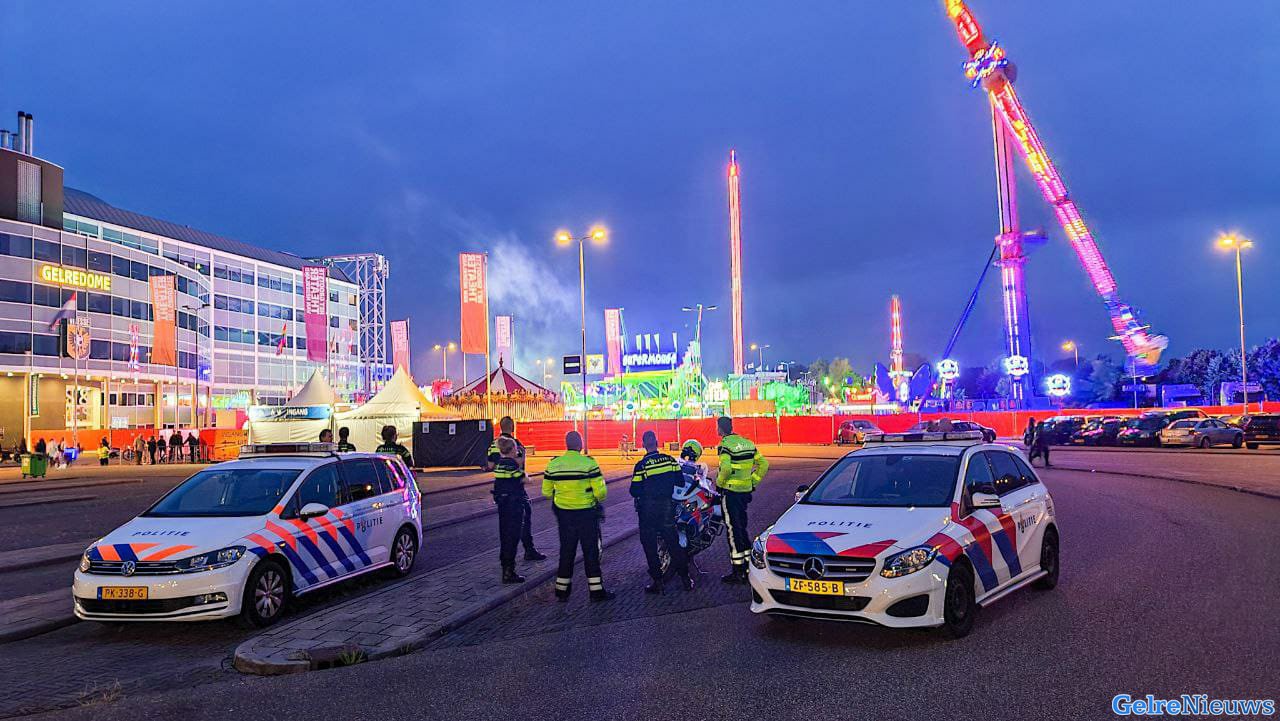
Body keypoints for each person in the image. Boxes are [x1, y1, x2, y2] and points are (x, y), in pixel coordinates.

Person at [543, 431, 613, 602]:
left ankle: (561, 592)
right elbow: (601, 492)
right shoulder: (589, 463)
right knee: (590, 552)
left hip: (564, 515)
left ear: (566, 444)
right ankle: (596, 592)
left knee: (566, 552)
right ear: (580, 444)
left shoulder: (553, 464)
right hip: (586, 514)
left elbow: (546, 492)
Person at [631, 430, 692, 594]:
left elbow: (634, 491)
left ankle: (658, 583)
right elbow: (680, 481)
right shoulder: (670, 461)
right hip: (666, 508)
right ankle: (686, 580)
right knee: (673, 544)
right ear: (657, 442)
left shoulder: (641, 466)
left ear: (643, 445)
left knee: (650, 547)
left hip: (647, 511)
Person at [714, 416, 770, 584]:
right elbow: (764, 464)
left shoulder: (724, 445)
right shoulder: (748, 443)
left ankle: (738, 571)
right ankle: (747, 566)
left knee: (732, 531)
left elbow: (725, 468)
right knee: (742, 528)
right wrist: (753, 481)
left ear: (721, 429)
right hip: (745, 493)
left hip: (730, 492)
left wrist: (719, 484)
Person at [484, 417, 546, 561]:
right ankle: (528, 550)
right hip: (515, 487)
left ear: (500, 427)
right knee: (524, 517)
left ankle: (509, 557)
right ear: (512, 427)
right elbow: (520, 464)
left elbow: (490, 465)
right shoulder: (515, 444)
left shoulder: (493, 444)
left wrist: (500, 465)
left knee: (504, 525)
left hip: (500, 488)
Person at [492, 437, 531, 584]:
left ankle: (505, 568)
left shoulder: (500, 465)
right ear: (513, 449)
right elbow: (525, 479)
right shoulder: (512, 466)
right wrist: (520, 464)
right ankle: (509, 572)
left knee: (505, 535)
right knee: (513, 537)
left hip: (503, 505)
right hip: (514, 505)